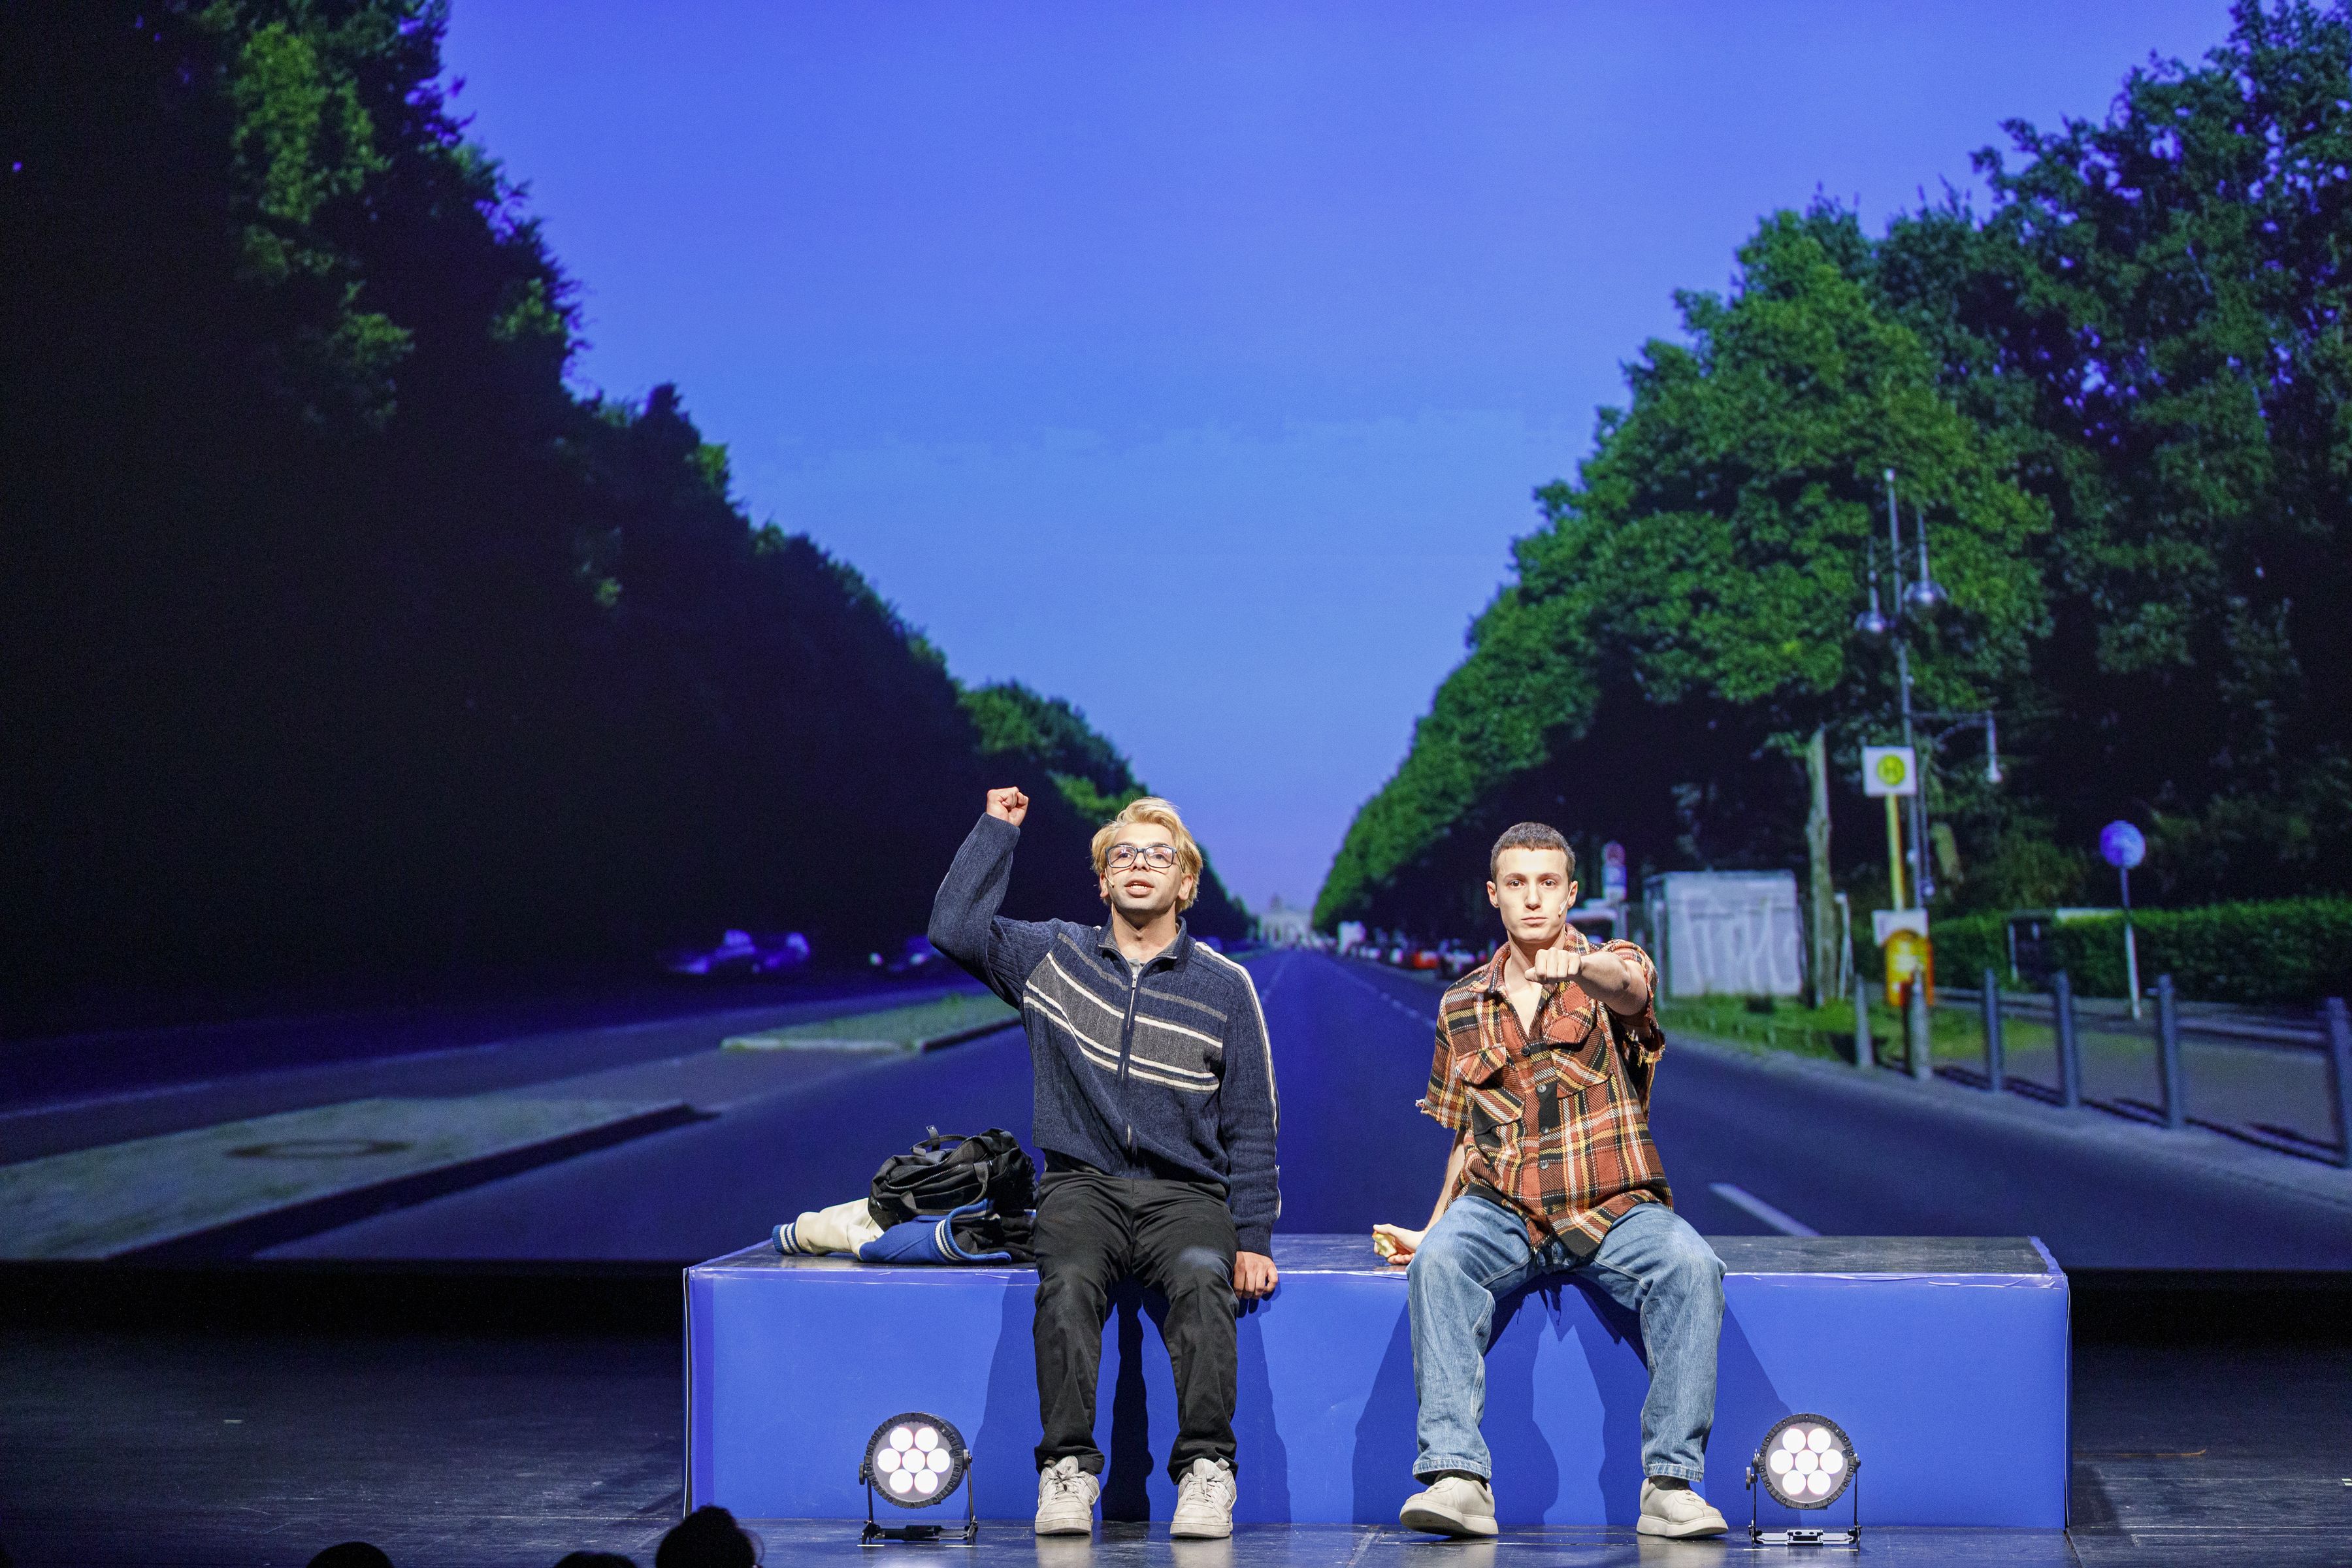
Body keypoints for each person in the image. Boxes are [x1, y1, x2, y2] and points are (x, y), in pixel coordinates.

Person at [930, 789, 1281, 1540]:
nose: (1139, 864)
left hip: (1186, 1193)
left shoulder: (1226, 987)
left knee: (1202, 1276)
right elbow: (953, 928)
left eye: (1159, 855)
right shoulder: (1052, 957)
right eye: (1123, 854)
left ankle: (1207, 1471)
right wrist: (996, 831)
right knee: (1067, 1281)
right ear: (1103, 880)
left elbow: (1251, 1121)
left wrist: (1252, 1236)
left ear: (1186, 882)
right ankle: (1066, 1471)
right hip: (1080, 1185)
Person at [1375, 823, 1729, 1541]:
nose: (1533, 898)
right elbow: (1466, 1134)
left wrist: (1579, 970)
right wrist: (1433, 1228)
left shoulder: (1611, 967)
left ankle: (1670, 1486)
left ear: (1570, 894)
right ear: (1494, 895)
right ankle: (1458, 1478)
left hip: (1613, 1205)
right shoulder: (1462, 1004)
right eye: (1517, 884)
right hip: (1504, 1206)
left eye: (1547, 883)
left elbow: (1631, 989)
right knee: (1438, 1265)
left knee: (1692, 1265)